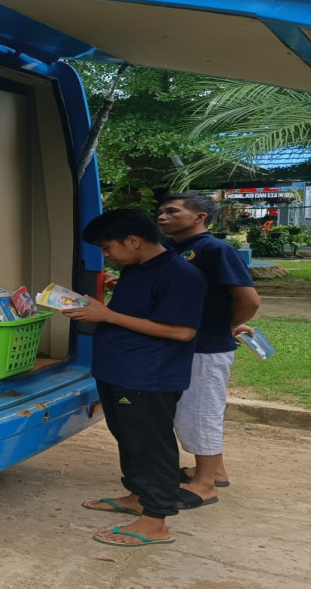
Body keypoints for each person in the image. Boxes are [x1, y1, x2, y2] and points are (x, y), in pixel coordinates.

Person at [65, 209, 206, 547]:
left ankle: (156, 521)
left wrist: (107, 314)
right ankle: (138, 497)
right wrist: (97, 310)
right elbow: (132, 314)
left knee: (149, 444)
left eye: (107, 247)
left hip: (148, 377)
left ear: (133, 241)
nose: (106, 256)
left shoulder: (181, 275)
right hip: (118, 370)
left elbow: (183, 332)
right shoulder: (136, 268)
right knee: (128, 437)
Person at [157, 194, 261, 507]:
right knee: (194, 410)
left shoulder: (217, 249)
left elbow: (250, 300)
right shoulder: (172, 250)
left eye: (172, 211)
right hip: (181, 344)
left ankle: (204, 485)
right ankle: (216, 471)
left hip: (205, 348)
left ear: (200, 216)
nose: (162, 216)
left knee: (200, 411)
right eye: (161, 211)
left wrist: (227, 326)